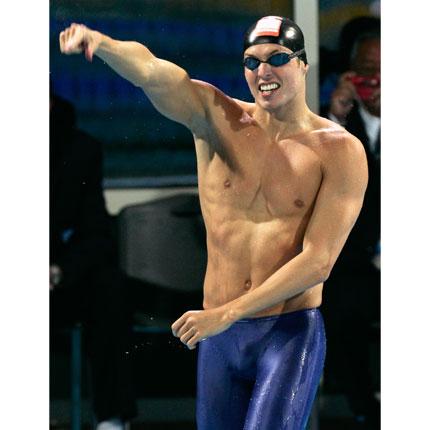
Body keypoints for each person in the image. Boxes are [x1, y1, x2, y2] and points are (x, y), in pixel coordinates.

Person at [59, 15, 368, 429]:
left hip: (287, 334)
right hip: (220, 339)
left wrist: (228, 313)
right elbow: (152, 72)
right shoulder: (215, 120)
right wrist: (103, 42)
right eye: (251, 61)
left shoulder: (339, 151)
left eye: (277, 58)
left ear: (303, 64)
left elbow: (318, 262)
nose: (263, 72)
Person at [50, 93, 137, 430]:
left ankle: (112, 417)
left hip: (60, 277)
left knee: (109, 287)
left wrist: (60, 270)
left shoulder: (80, 150)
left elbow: (96, 233)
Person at [320, 25, 381, 428]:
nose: (373, 82)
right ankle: (368, 411)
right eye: (364, 71)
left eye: (384, 71)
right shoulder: (337, 126)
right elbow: (318, 180)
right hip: (358, 262)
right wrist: (336, 117)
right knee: (338, 303)